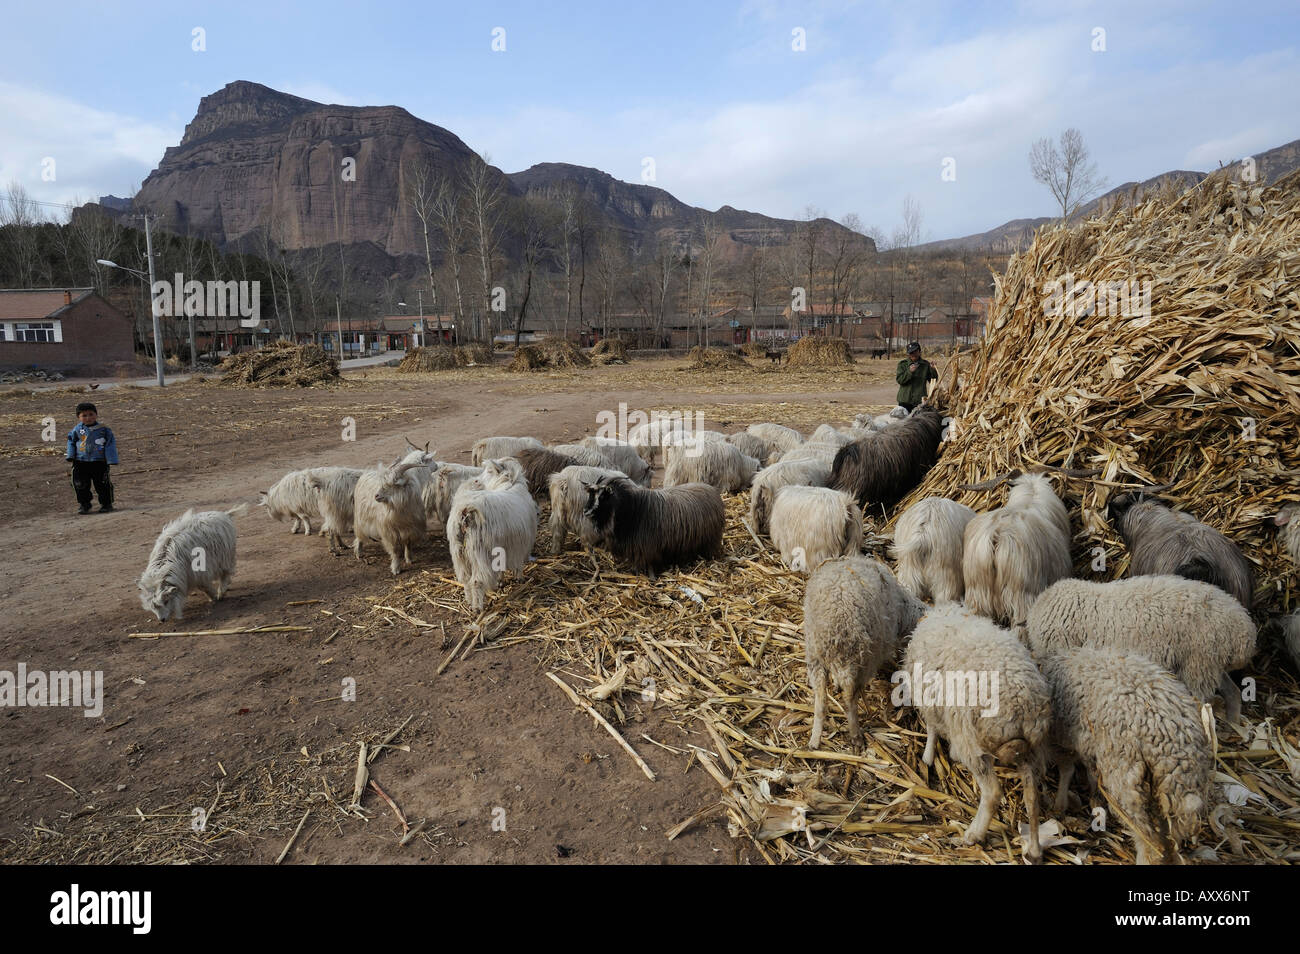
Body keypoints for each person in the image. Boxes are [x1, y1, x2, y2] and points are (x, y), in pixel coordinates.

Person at [66, 401, 118, 514]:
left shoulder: (104, 429)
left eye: (91, 414)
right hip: (80, 462)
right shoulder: (76, 430)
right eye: (84, 415)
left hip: (99, 462)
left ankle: (106, 504)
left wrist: (111, 459)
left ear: (96, 414)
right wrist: (70, 455)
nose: (88, 418)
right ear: (78, 417)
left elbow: (110, 444)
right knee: (80, 484)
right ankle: (84, 505)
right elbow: (71, 442)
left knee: (102, 484)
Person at [895, 341, 938, 411]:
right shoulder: (903, 364)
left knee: (918, 421)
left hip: (919, 401)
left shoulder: (925, 365)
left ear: (919, 352)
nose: (913, 354)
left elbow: (933, 381)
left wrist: (933, 369)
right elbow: (900, 380)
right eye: (911, 352)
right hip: (905, 400)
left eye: (915, 352)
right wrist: (909, 372)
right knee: (904, 421)